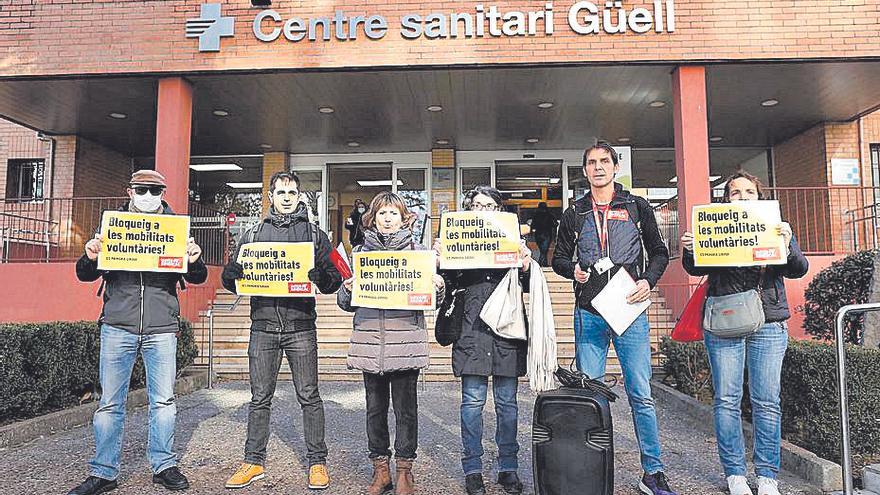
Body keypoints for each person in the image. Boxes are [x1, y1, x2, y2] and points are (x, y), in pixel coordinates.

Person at [68, 170, 207, 495]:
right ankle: (103, 472)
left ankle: (164, 466)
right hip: (118, 325)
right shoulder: (112, 228)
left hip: (161, 327)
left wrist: (195, 260)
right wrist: (89, 256)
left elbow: (197, 276)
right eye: (142, 189)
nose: (148, 195)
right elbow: (84, 274)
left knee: (164, 402)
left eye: (155, 190)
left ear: (163, 193)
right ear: (129, 191)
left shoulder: (176, 229)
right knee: (110, 404)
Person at [552, 142, 677, 495]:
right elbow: (559, 257)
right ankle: (589, 471)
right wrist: (571, 270)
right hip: (589, 312)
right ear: (585, 170)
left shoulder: (637, 206)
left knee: (641, 393)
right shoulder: (574, 211)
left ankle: (652, 473)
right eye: (591, 162)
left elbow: (659, 252)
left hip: (628, 311)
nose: (598, 167)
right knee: (590, 395)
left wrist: (648, 281)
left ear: (615, 165)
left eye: (604, 161)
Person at [680, 171, 808, 495]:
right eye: (734, 192)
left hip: (768, 321)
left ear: (759, 196)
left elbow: (798, 269)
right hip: (725, 321)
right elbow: (695, 268)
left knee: (767, 401)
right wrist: (690, 249)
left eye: (748, 191)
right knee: (726, 400)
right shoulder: (716, 226)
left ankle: (767, 477)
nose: (742, 197)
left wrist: (787, 242)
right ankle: (735, 474)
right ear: (726, 199)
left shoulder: (774, 226)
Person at [221, 171, 342, 491]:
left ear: (299, 196)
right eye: (281, 192)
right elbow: (232, 280)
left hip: (301, 326)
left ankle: (317, 462)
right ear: (271, 197)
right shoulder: (253, 234)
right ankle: (252, 461)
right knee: (260, 397)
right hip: (262, 326)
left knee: (309, 395)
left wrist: (323, 277)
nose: (287, 197)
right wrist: (229, 276)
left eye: (292, 192)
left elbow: (335, 279)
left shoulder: (315, 235)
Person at [337, 191, 445, 495]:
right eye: (382, 213)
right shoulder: (360, 254)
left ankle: (404, 473)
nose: (387, 219)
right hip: (370, 342)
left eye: (393, 213)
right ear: (373, 218)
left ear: (403, 218)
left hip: (405, 341)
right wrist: (348, 289)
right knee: (374, 410)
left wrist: (438, 285)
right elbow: (345, 303)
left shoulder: (418, 253)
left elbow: (432, 301)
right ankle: (380, 471)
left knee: (406, 411)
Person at [435, 185, 532, 495]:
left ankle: (508, 468)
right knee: (472, 404)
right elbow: (443, 286)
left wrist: (526, 262)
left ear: (499, 211)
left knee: (507, 405)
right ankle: (473, 469)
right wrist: (437, 260)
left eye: (489, 205)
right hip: (471, 331)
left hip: (506, 331)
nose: (482, 210)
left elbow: (528, 283)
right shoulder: (457, 242)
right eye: (477, 205)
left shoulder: (514, 241)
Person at [530, 202, 557, 266]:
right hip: (547, 234)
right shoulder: (549, 215)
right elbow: (555, 224)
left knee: (542, 250)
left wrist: (532, 232)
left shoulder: (536, 215)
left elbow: (533, 225)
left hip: (538, 234)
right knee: (544, 250)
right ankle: (542, 263)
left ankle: (542, 263)